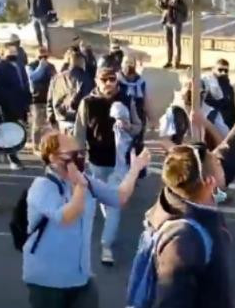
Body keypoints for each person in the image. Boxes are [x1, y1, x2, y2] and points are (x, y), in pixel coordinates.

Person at [141, 83, 235, 308]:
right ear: (209, 183)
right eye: (215, 161)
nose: (220, 158)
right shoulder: (183, 243)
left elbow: (232, 149)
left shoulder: (184, 195)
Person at [23, 132, 150, 308]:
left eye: (81, 152)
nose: (79, 158)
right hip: (48, 281)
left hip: (80, 277)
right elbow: (67, 217)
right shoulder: (43, 186)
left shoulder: (87, 182)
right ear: (52, 157)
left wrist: (135, 169)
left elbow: (119, 197)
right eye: (72, 154)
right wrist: (80, 186)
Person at [74, 59, 142, 266]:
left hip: (118, 162)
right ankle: (107, 233)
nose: (109, 83)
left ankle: (106, 245)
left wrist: (128, 126)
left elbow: (139, 126)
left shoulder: (125, 100)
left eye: (112, 79)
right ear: (97, 81)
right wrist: (77, 158)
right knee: (104, 200)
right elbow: (79, 133)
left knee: (114, 204)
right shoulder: (88, 102)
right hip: (96, 162)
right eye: (104, 79)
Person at [0, 44, 31, 170]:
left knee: (15, 130)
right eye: (10, 52)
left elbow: (24, 83)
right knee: (8, 130)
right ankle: (12, 158)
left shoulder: (19, 65)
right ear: (3, 53)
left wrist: (27, 101)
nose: (13, 54)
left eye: (15, 52)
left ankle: (4, 152)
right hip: (5, 105)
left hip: (19, 103)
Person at [118, 54, 153, 177]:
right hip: (122, 118)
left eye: (131, 63)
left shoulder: (141, 82)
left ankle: (137, 172)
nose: (129, 66)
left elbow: (146, 102)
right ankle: (124, 172)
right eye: (126, 63)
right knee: (122, 145)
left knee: (137, 145)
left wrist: (152, 119)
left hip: (138, 119)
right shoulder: (116, 81)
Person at [49, 47, 93, 134]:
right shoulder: (86, 78)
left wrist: (51, 119)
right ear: (82, 62)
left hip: (60, 119)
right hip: (77, 120)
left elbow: (49, 100)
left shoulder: (56, 78)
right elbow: (89, 100)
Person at [27, 47, 57, 154]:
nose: (43, 59)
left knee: (48, 124)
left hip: (49, 98)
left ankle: (46, 144)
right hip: (37, 99)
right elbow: (33, 77)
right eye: (41, 57)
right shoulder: (31, 66)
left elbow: (55, 79)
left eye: (45, 56)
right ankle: (35, 145)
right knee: (37, 124)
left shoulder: (51, 66)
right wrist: (41, 67)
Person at [203, 58, 235, 129]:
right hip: (214, 120)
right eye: (220, 70)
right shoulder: (208, 82)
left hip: (227, 122)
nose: (223, 73)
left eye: (226, 70)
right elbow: (207, 101)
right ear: (214, 69)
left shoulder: (228, 86)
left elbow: (232, 106)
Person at [158, 0, 187, 69]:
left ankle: (176, 62)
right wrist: (160, 3)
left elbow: (184, 8)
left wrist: (175, 4)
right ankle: (169, 61)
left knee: (176, 42)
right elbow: (163, 7)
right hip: (167, 20)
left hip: (176, 21)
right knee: (168, 42)